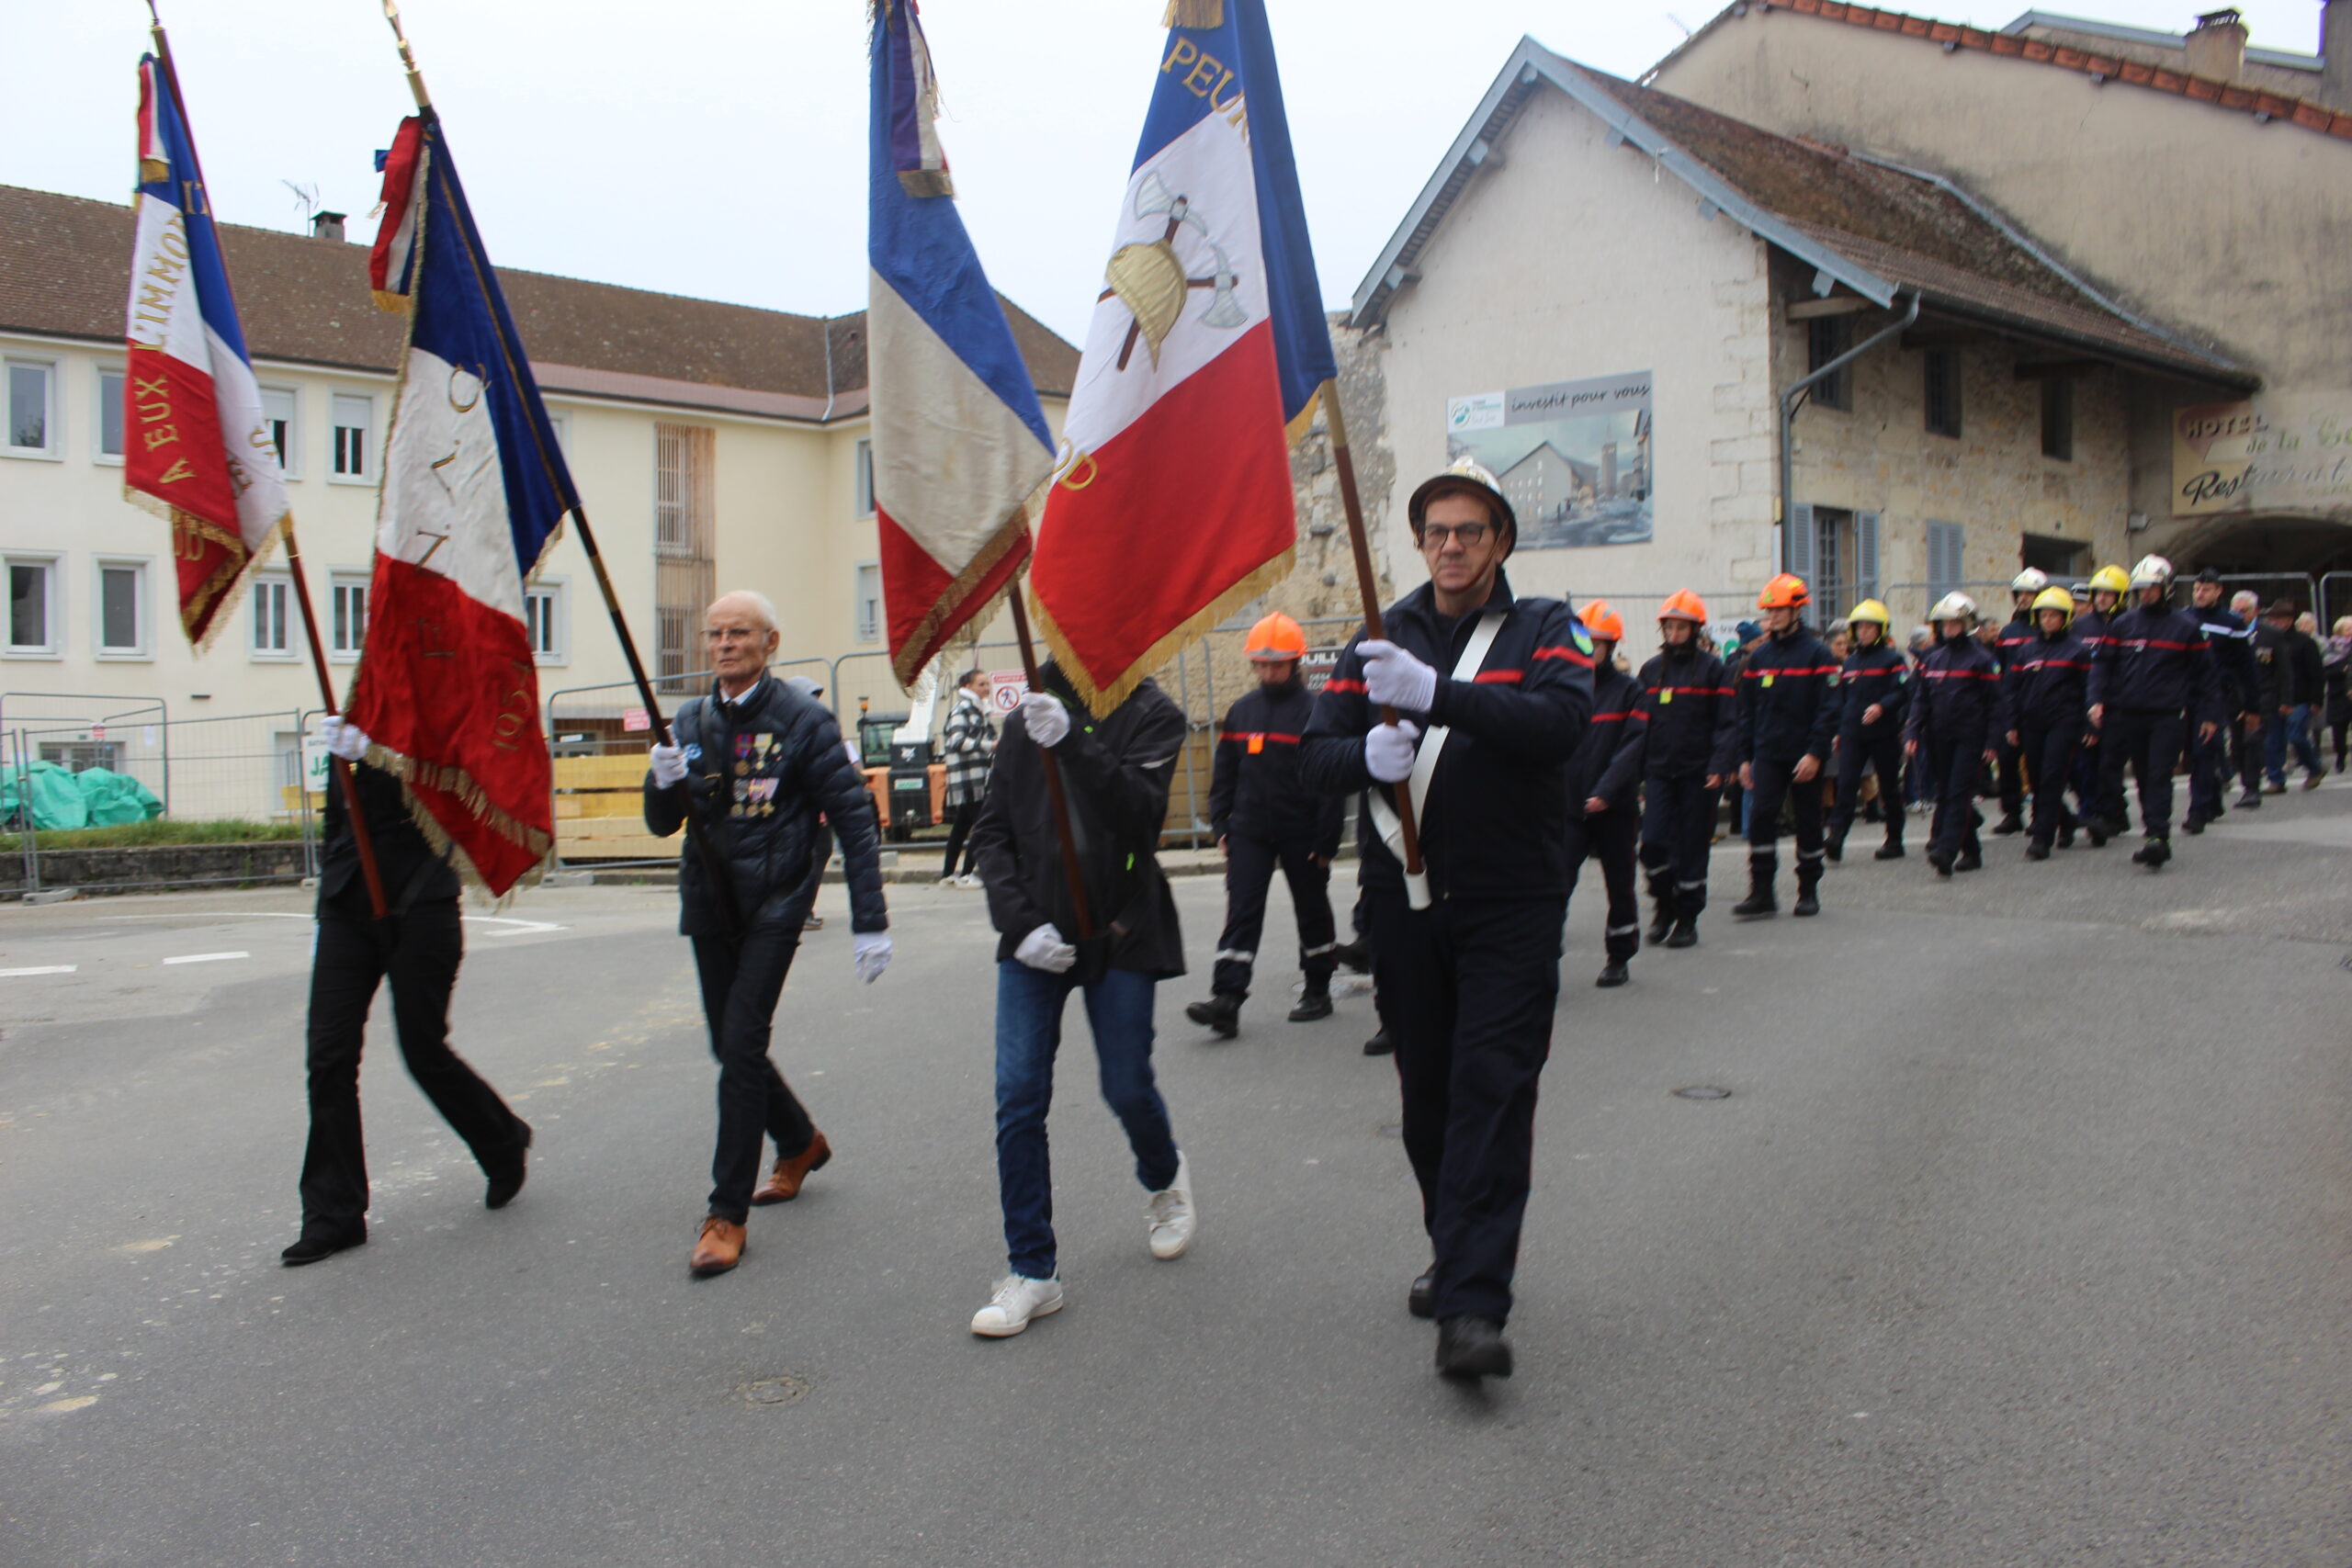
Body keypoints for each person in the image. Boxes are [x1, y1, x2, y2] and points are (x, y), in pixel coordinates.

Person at [1299, 457, 1593, 1382]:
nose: (1452, 546)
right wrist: (1364, 758)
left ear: (1500, 540)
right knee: (1426, 1098)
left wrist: (1438, 699)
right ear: (1420, 543)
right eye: (1437, 532)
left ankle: (1472, 1305)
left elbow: (1556, 725)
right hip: (1405, 901)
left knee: (1490, 1090)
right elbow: (1310, 762)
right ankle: (1455, 1246)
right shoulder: (1377, 640)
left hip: (1513, 899)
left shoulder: (1547, 626)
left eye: (1470, 531)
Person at [645, 592, 893, 1278]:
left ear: (770, 640)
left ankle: (726, 1213)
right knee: (729, 1041)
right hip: (709, 899)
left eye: (740, 633)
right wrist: (661, 781)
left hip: (776, 900)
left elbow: (853, 818)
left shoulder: (802, 719)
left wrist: (869, 918)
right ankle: (798, 1140)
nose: (725, 644)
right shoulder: (691, 718)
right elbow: (662, 823)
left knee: (741, 1044)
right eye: (715, 633)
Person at [967, 659, 1194, 1338]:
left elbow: (1140, 814)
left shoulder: (1155, 714)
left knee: (1126, 1085)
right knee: (1018, 1095)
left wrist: (1072, 739)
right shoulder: (1023, 719)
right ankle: (1032, 1270)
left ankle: (1163, 1175)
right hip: (1035, 935)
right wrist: (1020, 923)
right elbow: (992, 833)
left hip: (1120, 927)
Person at [283, 719, 533, 1267]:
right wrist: (326, 906)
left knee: (423, 1051)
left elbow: (458, 787)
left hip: (421, 900)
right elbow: (337, 821)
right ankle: (334, 1214)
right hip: (348, 904)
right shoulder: (353, 713)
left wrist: (380, 755)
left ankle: (501, 1141)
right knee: (328, 1057)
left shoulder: (437, 705)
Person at [1186, 612, 1345, 1037]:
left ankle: (1318, 987)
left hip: (1303, 833)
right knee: (1241, 912)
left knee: (1312, 910)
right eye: (1261, 663)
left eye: (1277, 663)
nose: (1269, 670)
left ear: (1296, 662)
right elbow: (1225, 775)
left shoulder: (1316, 712)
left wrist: (1326, 841)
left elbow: (1330, 784)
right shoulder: (1242, 712)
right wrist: (1222, 825)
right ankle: (1227, 999)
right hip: (1249, 832)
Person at [2086, 555, 2222, 870]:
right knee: (2143, 775)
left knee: (2160, 774)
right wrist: (2095, 699)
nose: (2146, 594)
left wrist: (2210, 715)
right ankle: (2150, 831)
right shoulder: (2123, 624)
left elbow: (2206, 675)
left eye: (2152, 588)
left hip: (2167, 714)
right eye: (2141, 589)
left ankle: (2158, 838)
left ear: (2166, 588)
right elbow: (2103, 665)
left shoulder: (2185, 627)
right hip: (2128, 713)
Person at [1730, 573, 1840, 919]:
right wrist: (1745, 757)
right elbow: (1746, 711)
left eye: (1779, 610)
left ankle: (1808, 890)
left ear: (1796, 611)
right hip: (1768, 754)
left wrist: (1815, 753)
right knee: (1761, 817)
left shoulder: (1818, 654)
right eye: (1769, 610)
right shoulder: (1759, 658)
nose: (1773, 616)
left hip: (1804, 754)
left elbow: (1829, 709)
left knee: (1808, 822)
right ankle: (1761, 892)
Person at [1633, 592, 1737, 950]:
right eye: (1670, 627)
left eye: (1681, 627)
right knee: (1653, 844)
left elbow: (1726, 723)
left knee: (1692, 848)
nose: (1674, 634)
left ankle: (1687, 918)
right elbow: (1638, 727)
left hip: (1699, 774)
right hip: (1659, 772)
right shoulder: (1650, 671)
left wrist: (1720, 765)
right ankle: (1663, 904)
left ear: (1695, 629)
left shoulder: (1713, 670)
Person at [1562, 600, 1646, 987]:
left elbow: (1633, 747)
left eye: (1596, 643)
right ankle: (1541, 954)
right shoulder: (1564, 690)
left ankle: (1619, 955)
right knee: (1555, 881)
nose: (1589, 649)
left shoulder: (1630, 692)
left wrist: (1606, 792)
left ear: (1611, 647)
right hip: (1569, 806)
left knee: (1620, 883)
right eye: (1584, 642)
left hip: (1614, 807)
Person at [1905, 593, 2001, 877]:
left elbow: (1997, 703)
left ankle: (1946, 850)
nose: (1949, 630)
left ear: (1968, 624)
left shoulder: (1982, 660)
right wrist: (1912, 731)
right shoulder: (1932, 659)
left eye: (1955, 624)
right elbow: (1921, 700)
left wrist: (1993, 741)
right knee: (1947, 792)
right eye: (1945, 624)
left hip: (1970, 736)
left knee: (1958, 793)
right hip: (1938, 736)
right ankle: (1972, 851)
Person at [1998, 586, 2091, 861]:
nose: (2048, 620)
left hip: (2064, 722)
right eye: (2044, 615)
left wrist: (2089, 725)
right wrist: (2012, 723)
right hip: (2032, 721)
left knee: (2052, 776)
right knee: (2037, 779)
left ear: (2065, 618)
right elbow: (2013, 689)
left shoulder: (2078, 651)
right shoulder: (2027, 651)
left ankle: (2042, 837)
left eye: (2054, 615)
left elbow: (2089, 690)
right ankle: (2067, 819)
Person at [1826, 598, 1909, 863]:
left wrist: (1882, 707)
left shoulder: (1893, 659)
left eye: (1869, 627)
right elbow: (1841, 698)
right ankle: (1836, 838)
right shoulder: (1849, 663)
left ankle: (1894, 839)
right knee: (1847, 785)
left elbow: (1903, 690)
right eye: (1860, 627)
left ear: (1881, 630)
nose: (1864, 631)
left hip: (1883, 734)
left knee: (1888, 787)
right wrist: (1839, 730)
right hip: (1853, 734)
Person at [2185, 569, 2258, 834]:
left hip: (2216, 695)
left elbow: (2247, 667)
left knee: (2205, 749)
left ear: (2218, 592)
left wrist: (2252, 705)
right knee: (2195, 754)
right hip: (2186, 694)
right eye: (2196, 589)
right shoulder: (2184, 618)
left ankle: (2198, 811)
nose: (2200, 594)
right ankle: (2213, 798)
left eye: (2205, 590)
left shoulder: (2232, 623)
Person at [2069, 564, 2130, 840]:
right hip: (2088, 704)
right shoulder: (2080, 627)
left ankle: (2111, 813)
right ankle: (2093, 812)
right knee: (2085, 765)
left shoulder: (2131, 624)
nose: (2101, 599)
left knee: (2110, 765)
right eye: (2098, 594)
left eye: (2108, 594)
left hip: (2121, 705)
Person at [1988, 569, 2048, 835]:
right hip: (2010, 704)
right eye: (2020, 594)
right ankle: (2012, 812)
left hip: (2038, 702)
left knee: (2038, 764)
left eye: (2029, 594)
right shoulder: (2008, 631)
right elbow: (1999, 666)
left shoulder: (2044, 628)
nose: (2024, 599)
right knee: (2007, 760)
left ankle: (2040, 814)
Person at [2252, 598, 2328, 791]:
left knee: (2295, 736)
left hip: (2300, 699)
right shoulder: (2267, 641)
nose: (2273, 622)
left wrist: (2316, 700)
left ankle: (2314, 767)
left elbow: (2316, 673)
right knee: (2273, 740)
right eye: (2271, 619)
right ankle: (2276, 779)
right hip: (2275, 698)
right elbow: (2264, 667)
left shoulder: (2304, 642)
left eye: (2277, 619)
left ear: (2288, 620)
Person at [937, 670, 998, 886]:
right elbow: (956, 740)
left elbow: (991, 738)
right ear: (968, 686)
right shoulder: (962, 709)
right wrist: (989, 745)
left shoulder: (980, 710)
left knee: (961, 827)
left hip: (977, 778)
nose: (986, 688)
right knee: (982, 825)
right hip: (968, 779)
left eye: (986, 684)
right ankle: (966, 874)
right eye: (981, 684)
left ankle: (947, 875)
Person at [2226, 589, 2268, 808]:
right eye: (2236, 611)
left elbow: (2282, 672)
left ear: (2255, 611)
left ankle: (2252, 788)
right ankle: (2238, 780)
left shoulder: (2269, 634)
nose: (2240, 615)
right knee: (2236, 746)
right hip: (2231, 698)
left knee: (2252, 742)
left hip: (2260, 698)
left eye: (2245, 611)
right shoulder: (2227, 634)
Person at [2324, 616, 2352, 774]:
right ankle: (2341, 756)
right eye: (2348, 629)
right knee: (2338, 731)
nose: (2351, 632)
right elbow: (2326, 671)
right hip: (2338, 694)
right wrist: (2342, 670)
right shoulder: (2332, 648)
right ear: (2340, 632)